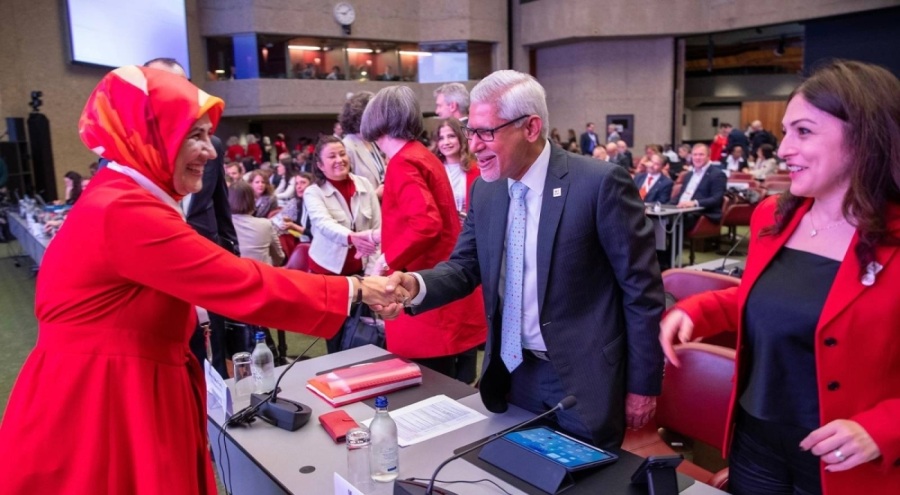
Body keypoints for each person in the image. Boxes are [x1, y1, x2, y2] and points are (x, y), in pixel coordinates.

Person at [0, 65, 405, 494]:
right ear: (150, 138)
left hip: (121, 383)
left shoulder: (123, 196)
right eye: (193, 135)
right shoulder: (123, 209)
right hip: (104, 398)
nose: (211, 153)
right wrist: (356, 288)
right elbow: (236, 281)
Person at [377, 71, 664, 448]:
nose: (473, 145)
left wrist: (643, 386)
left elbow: (641, 292)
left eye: (485, 132)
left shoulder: (599, 185)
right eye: (469, 131)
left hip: (583, 381)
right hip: (511, 373)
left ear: (530, 128)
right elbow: (465, 267)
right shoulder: (487, 190)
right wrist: (414, 285)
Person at [660, 60, 900, 495]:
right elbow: (769, 299)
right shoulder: (774, 215)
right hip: (757, 442)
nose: (783, 148)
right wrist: (699, 310)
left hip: (849, 464)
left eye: (803, 132)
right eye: (786, 132)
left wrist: (885, 429)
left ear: (866, 137)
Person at [361, 85, 486, 380]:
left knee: (432, 389)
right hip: (440, 287)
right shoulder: (421, 156)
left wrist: (386, 258)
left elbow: (426, 223)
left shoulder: (403, 162)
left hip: (423, 293)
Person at [145, 56, 240, 379]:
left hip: (206, 262)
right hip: (157, 284)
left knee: (213, 358)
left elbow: (221, 208)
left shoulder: (209, 144)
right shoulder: (122, 162)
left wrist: (231, 258)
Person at [431, 117, 487, 383]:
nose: (446, 142)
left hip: (469, 244)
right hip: (443, 248)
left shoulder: (475, 170)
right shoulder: (434, 170)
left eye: (450, 136)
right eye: (441, 138)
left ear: (461, 139)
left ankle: (468, 374)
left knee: (468, 311)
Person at [304, 136, 381, 278]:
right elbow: (324, 223)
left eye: (342, 154)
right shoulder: (313, 192)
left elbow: (377, 231)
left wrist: (372, 273)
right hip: (326, 270)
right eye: (332, 156)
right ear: (320, 165)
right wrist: (352, 237)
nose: (339, 160)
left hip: (362, 270)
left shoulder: (365, 184)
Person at [340, 91, 387, 198]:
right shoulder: (347, 147)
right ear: (361, 118)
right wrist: (375, 195)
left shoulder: (372, 141)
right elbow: (347, 193)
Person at [672, 143, 727, 231]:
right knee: (659, 218)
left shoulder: (717, 174)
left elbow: (716, 199)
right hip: (682, 210)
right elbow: (680, 196)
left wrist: (694, 203)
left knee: (675, 221)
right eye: (695, 155)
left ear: (709, 156)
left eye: (701, 155)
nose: (697, 158)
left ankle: (672, 244)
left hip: (702, 213)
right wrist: (664, 206)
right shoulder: (688, 175)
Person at [229, 181, 284, 266]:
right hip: (262, 274)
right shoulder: (265, 224)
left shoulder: (221, 226)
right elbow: (279, 256)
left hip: (234, 274)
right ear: (253, 200)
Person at [274, 171, 314, 243]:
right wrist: (291, 222)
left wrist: (294, 226)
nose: (298, 186)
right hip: (303, 242)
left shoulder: (315, 205)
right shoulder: (300, 203)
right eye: (297, 183)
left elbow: (315, 233)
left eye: (303, 183)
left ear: (312, 185)